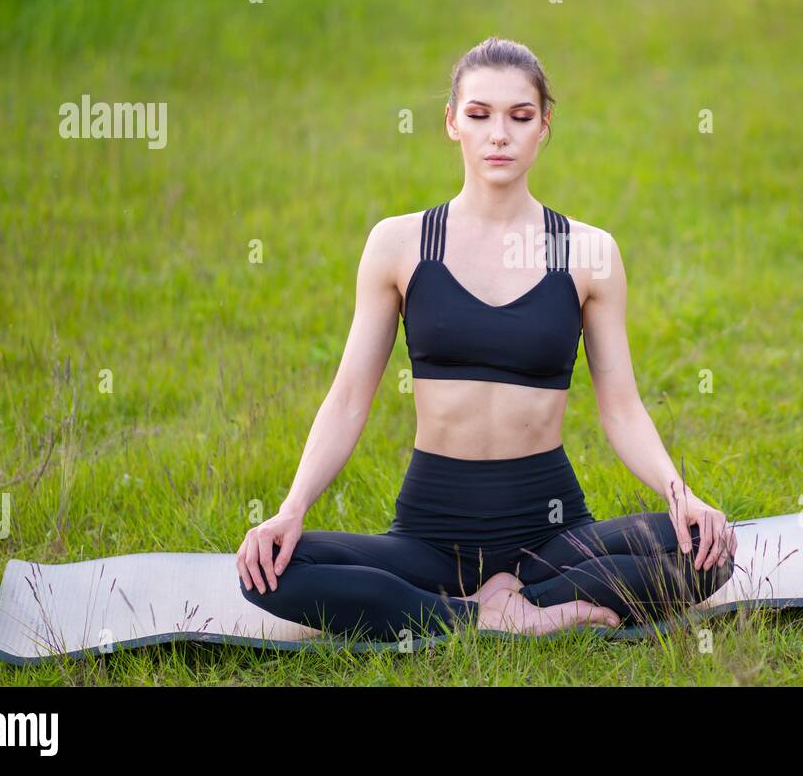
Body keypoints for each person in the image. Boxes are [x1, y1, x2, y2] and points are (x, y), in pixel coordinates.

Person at [237, 36, 736, 644]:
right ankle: (499, 615)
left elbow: (622, 406)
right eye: (479, 116)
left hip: (552, 532)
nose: (499, 135)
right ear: (452, 122)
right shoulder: (399, 243)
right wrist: (291, 510)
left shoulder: (589, 253)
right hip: (429, 535)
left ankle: (464, 608)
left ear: (544, 126)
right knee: (271, 572)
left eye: (520, 117)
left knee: (707, 553)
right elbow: (347, 400)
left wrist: (681, 495)